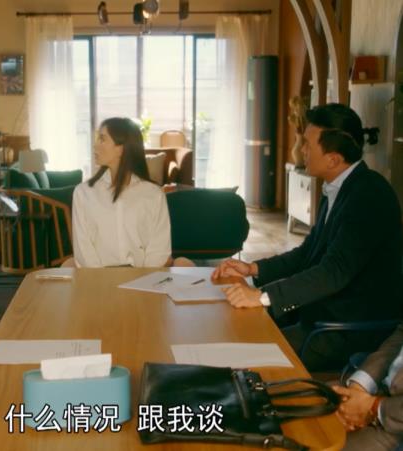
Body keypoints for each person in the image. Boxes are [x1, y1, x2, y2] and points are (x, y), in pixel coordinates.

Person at [212, 103, 402, 370]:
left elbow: (332, 272)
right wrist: (253, 268)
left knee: (247, 354)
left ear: (333, 159)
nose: (302, 150)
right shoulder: (340, 187)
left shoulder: (369, 196)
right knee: (233, 325)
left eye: (308, 145)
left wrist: (262, 296)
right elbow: (307, 253)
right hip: (321, 312)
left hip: (347, 329)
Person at [72, 117, 183, 268]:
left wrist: (144, 278)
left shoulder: (154, 194)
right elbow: (83, 249)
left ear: (121, 148)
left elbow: (159, 249)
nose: (95, 145)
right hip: (97, 278)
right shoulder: (83, 193)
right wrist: (99, 278)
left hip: (143, 277)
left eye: (102, 139)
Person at [333, 322, 403, 450]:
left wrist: (373, 406)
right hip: (380, 387)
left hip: (396, 423)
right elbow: (400, 337)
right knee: (304, 405)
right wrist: (359, 386)